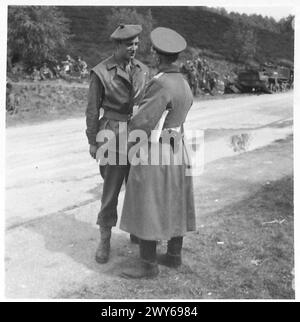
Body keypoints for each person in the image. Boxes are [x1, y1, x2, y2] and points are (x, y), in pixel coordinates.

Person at [119, 27, 196, 279]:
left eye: (152, 51)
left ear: (156, 54)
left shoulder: (160, 83)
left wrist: (128, 144)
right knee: (176, 199)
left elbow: (143, 122)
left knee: (148, 200)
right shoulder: (183, 83)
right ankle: (174, 256)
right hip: (177, 147)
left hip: (157, 150)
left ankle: (147, 265)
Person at [85, 24, 149, 264]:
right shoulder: (101, 72)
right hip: (111, 135)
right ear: (117, 45)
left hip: (137, 136)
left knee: (138, 186)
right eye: (128, 44)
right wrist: (92, 141)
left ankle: (135, 229)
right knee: (110, 192)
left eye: (136, 43)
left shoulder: (143, 69)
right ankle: (104, 240)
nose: (133, 48)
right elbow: (92, 110)